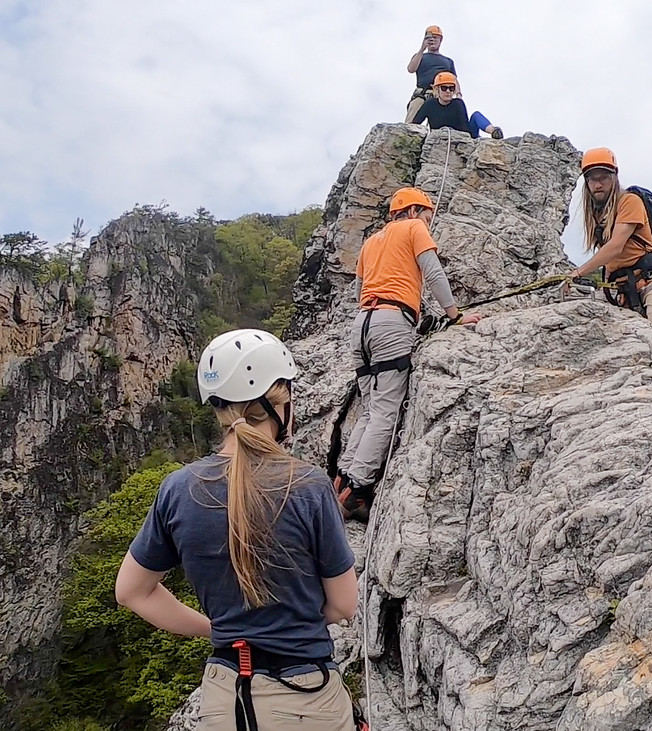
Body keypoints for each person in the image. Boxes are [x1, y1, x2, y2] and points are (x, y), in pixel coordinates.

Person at [115, 328, 359, 731]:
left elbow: (131, 592)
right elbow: (343, 605)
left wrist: (218, 628)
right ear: (279, 403)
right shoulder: (309, 486)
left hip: (223, 699)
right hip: (304, 698)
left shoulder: (179, 489)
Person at [336, 187, 482, 522]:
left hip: (363, 324)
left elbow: (362, 290)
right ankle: (356, 492)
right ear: (416, 211)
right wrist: (455, 315)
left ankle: (342, 477)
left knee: (370, 407)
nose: (429, 223)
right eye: (429, 216)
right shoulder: (415, 228)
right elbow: (432, 271)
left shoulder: (371, 242)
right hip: (391, 322)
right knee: (385, 410)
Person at [564, 147, 652, 330]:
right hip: (622, 287)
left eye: (604, 177)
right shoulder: (598, 214)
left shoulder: (630, 201)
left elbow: (615, 247)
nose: (598, 184)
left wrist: (578, 273)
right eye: (592, 178)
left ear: (614, 176)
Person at [412, 71, 503, 139]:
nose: (448, 91)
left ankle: (494, 131)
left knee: (476, 115)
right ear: (436, 89)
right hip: (439, 139)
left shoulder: (458, 104)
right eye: (444, 88)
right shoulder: (429, 104)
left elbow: (465, 128)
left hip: (465, 137)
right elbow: (415, 124)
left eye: (451, 88)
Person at [404, 25, 459, 124]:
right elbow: (411, 69)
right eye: (429, 38)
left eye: (435, 37)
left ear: (440, 40)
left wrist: (458, 94)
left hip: (440, 94)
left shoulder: (448, 61)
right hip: (422, 93)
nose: (432, 40)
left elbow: (454, 79)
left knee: (438, 123)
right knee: (411, 122)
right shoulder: (420, 56)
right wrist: (422, 49)